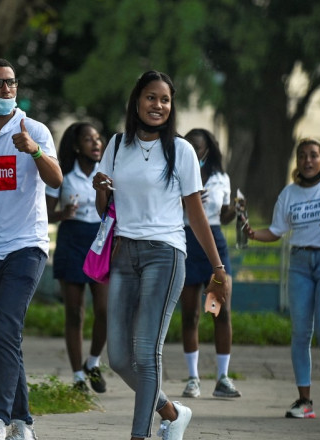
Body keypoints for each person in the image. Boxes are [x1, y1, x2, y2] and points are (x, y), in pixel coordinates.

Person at [92, 70, 229, 440]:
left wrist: (218, 267)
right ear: (137, 102)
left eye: (165, 99)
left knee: (146, 351)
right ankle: (172, 411)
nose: (158, 105)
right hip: (123, 254)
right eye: (151, 97)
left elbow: (196, 214)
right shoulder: (118, 145)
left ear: (172, 106)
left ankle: (141, 435)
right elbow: (102, 208)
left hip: (165, 255)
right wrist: (99, 188)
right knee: (118, 357)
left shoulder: (181, 150)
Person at [0, 58, 62, 440]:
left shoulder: (33, 129)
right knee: (6, 334)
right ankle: (25, 422)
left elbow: (56, 180)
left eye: (12, 83)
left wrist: (35, 151)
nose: (7, 90)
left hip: (27, 245)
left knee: (5, 327)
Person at [245, 138, 320, 419]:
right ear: (297, 162)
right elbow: (276, 231)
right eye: (302, 156)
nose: (308, 160)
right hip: (299, 263)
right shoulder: (289, 194)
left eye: (314, 155)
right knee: (300, 333)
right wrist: (252, 233)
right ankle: (304, 401)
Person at [45, 122, 109, 393]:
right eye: (88, 139)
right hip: (71, 240)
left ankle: (92, 363)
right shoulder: (62, 175)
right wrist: (63, 214)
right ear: (75, 145)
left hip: (99, 240)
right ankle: (77, 377)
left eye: (97, 138)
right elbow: (46, 214)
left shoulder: (106, 174)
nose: (96, 144)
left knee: (105, 310)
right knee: (75, 312)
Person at [178, 128, 241, 399]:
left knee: (219, 311)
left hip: (213, 243)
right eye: (189, 146)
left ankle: (223, 378)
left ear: (208, 150)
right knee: (190, 313)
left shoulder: (220, 178)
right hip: (187, 240)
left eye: (199, 148)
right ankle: (193, 379)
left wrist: (236, 209)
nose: (194, 151)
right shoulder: (177, 174)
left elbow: (223, 215)